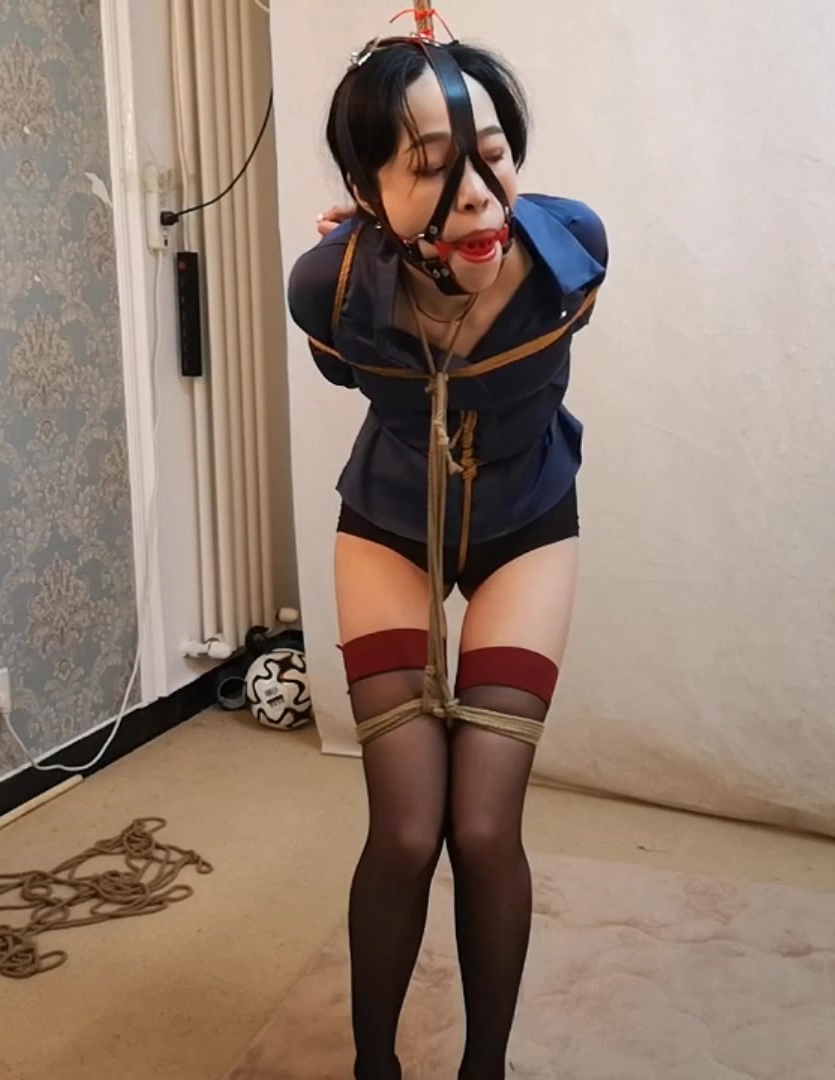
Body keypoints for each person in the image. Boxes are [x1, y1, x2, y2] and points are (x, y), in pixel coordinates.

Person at [283, 28, 607, 1080]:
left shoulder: (574, 252)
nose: (475, 193)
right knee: (407, 830)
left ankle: (485, 1070)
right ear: (364, 191)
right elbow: (345, 367)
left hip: (526, 529)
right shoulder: (328, 289)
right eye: (429, 166)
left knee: (481, 827)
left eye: (494, 155)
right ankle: (373, 1067)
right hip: (390, 529)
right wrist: (376, 251)